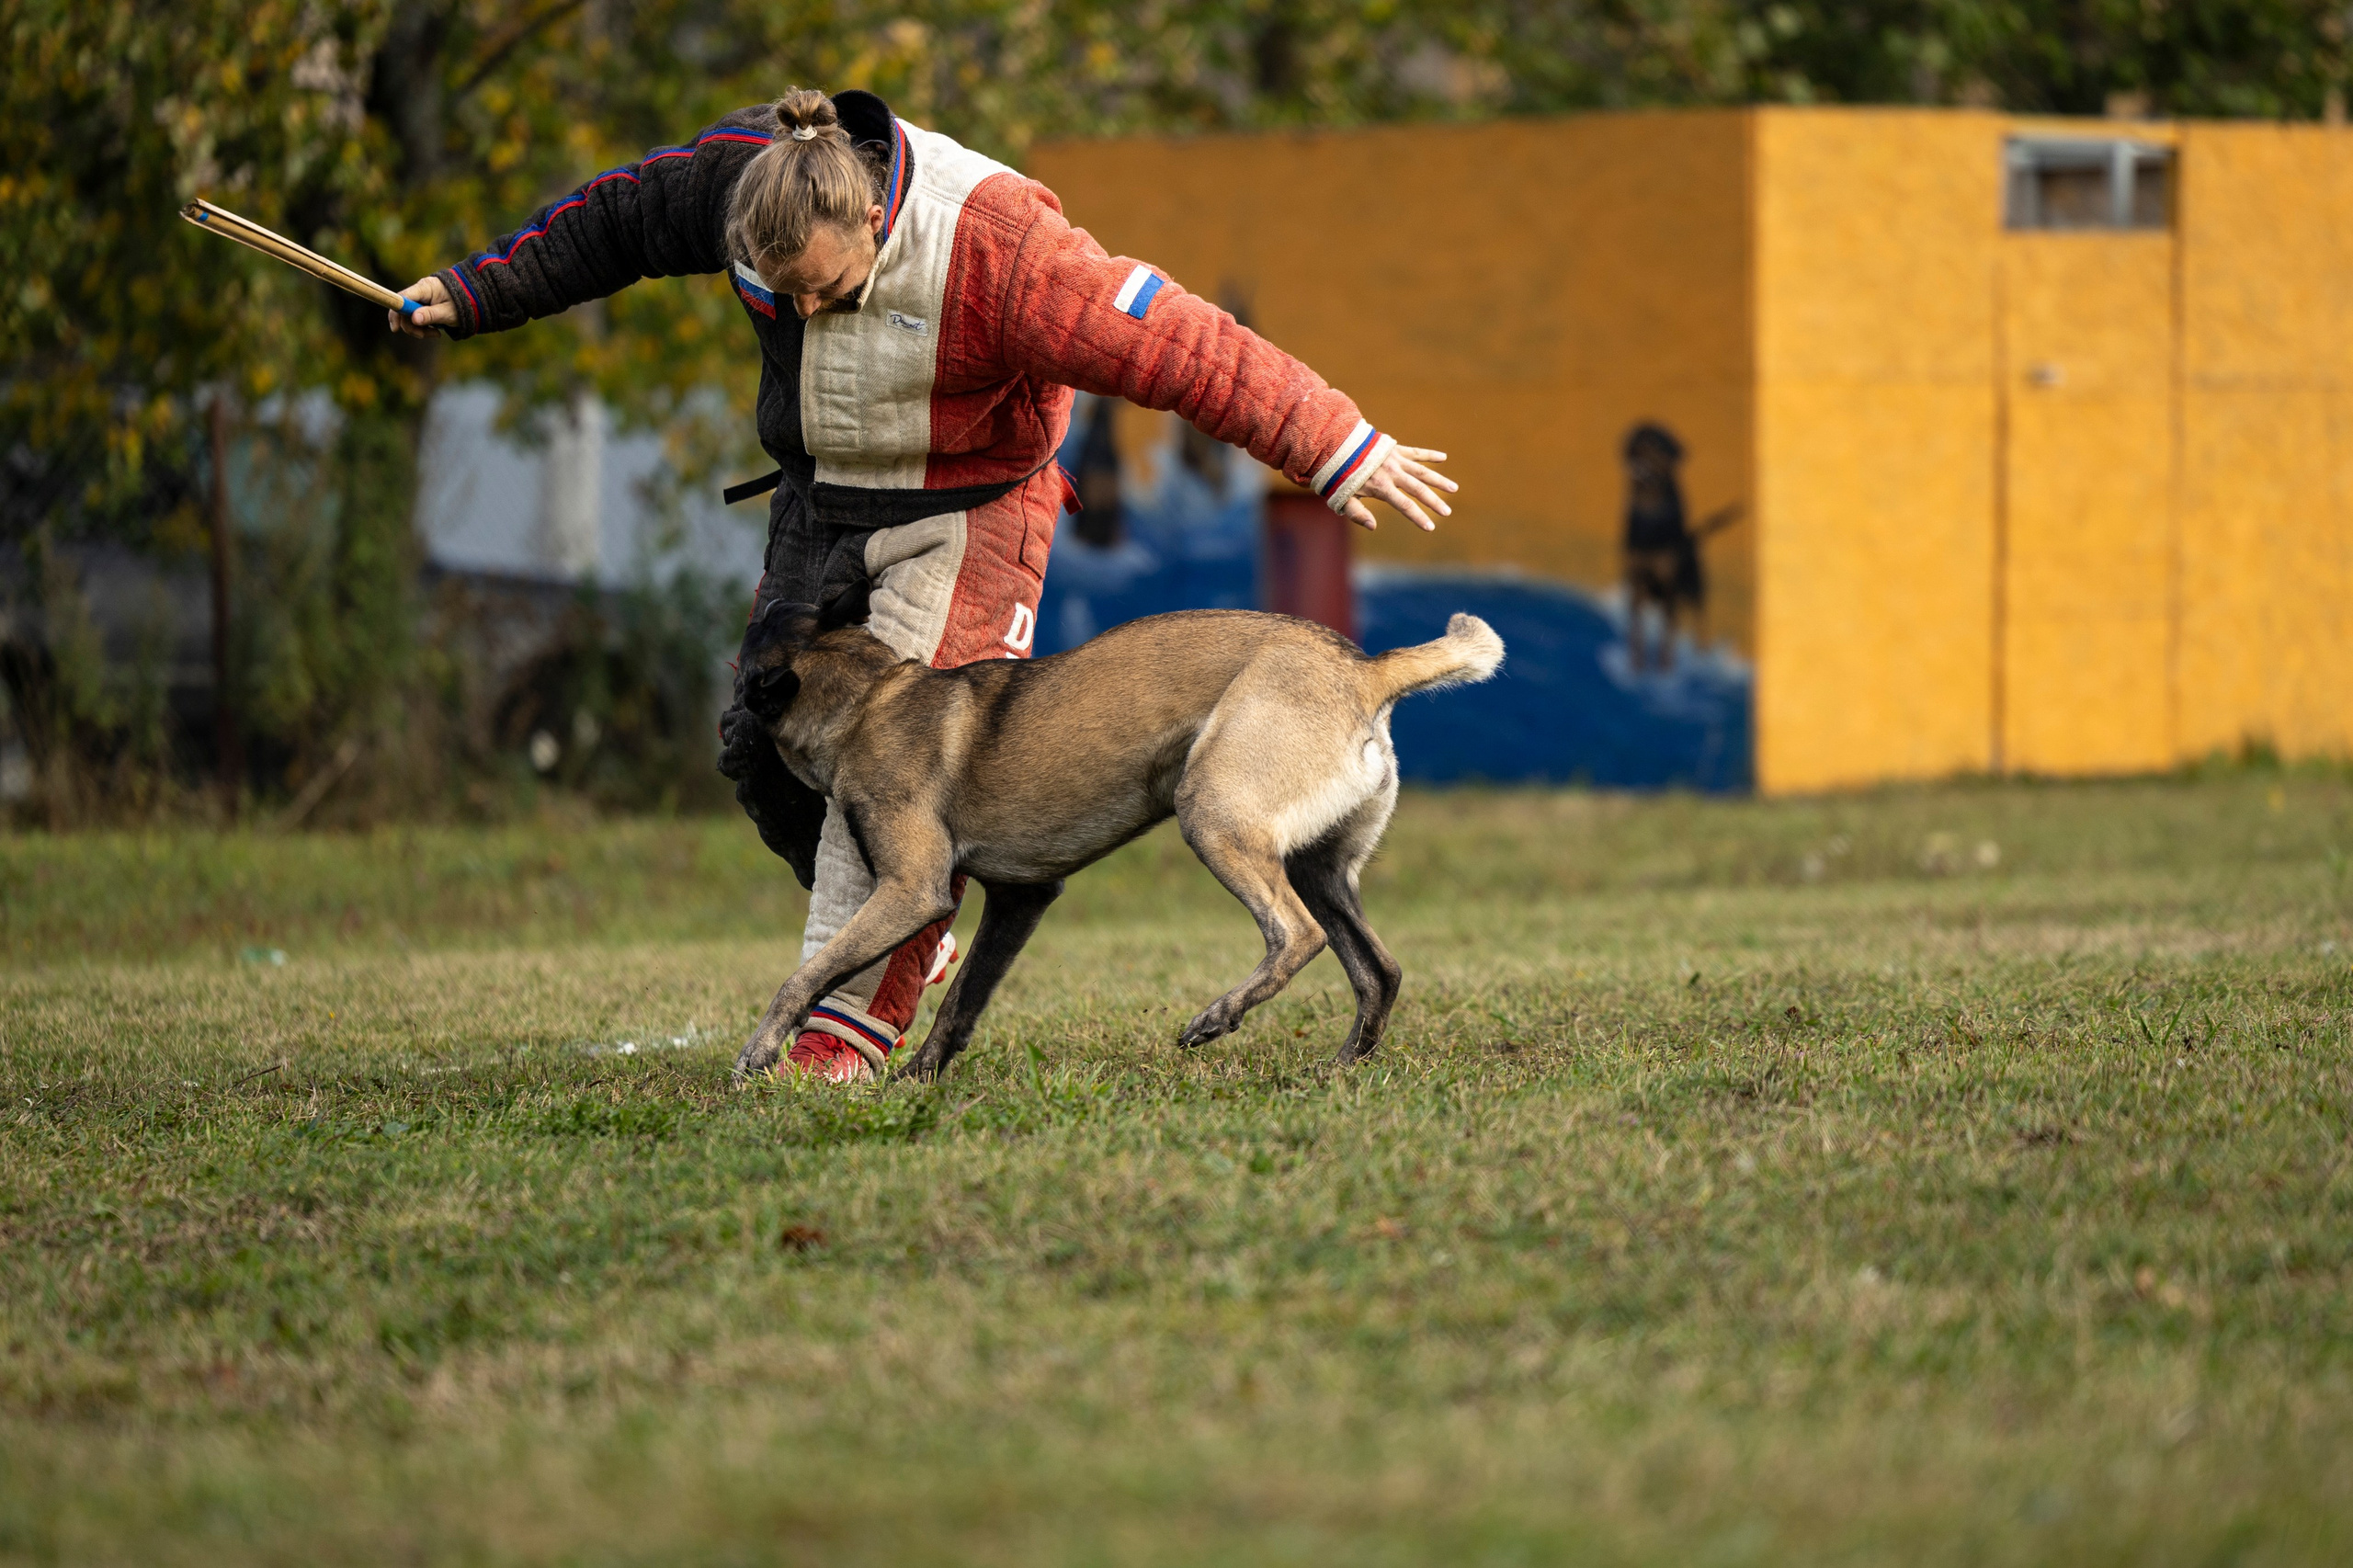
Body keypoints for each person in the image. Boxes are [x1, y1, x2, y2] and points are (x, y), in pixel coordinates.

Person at [392, 87, 1456, 1082]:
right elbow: (611, 220)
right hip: (824, 503)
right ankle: (921, 921)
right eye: (780, 293)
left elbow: (1178, 339)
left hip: (973, 505)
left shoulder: (1000, 248)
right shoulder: (744, 185)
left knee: (897, 786)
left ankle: (845, 1035)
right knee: (759, 749)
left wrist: (1331, 441)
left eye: (828, 286)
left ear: (871, 216)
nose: (804, 312)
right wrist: (478, 290)